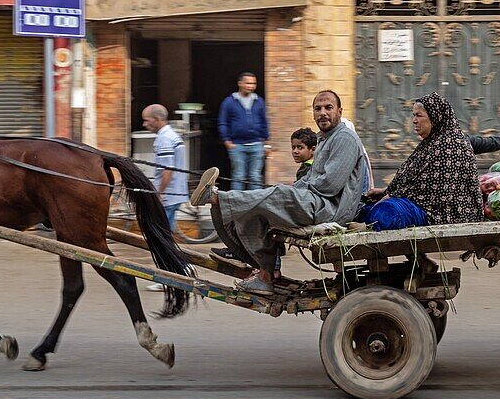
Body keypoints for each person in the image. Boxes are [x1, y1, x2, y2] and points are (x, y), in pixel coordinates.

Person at [192, 90, 368, 295]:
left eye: (328, 108)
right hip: (317, 201)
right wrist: (296, 189)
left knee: (278, 195)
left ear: (339, 110)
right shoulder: (324, 138)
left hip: (331, 208)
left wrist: (294, 191)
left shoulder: (344, 137)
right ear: (312, 113)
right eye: (318, 108)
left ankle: (216, 197)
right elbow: (311, 179)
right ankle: (266, 274)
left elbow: (328, 185)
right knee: (255, 210)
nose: (323, 113)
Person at [362, 93, 484, 231]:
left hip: (442, 213)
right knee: (366, 208)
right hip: (421, 204)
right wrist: (385, 192)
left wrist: (391, 196)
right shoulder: (431, 142)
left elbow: (433, 191)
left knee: (387, 211)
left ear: (434, 117)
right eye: (414, 115)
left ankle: (370, 226)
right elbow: (413, 179)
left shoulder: (450, 145)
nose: (414, 120)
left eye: (419, 115)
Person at [217, 72, 270, 191]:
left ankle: (254, 203)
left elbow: (264, 121)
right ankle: (236, 204)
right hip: (237, 145)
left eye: (253, 83)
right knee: (238, 176)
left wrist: (266, 143)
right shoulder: (229, 102)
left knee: (255, 177)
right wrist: (227, 141)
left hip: (257, 144)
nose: (250, 86)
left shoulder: (259, 101)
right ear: (240, 83)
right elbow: (223, 122)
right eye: (248, 83)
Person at [141, 104, 188, 231]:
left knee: (161, 232)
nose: (144, 125)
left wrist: (159, 193)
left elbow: (168, 169)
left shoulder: (165, 139)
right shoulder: (172, 135)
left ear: (156, 119)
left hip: (168, 195)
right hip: (176, 192)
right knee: (167, 232)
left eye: (146, 120)